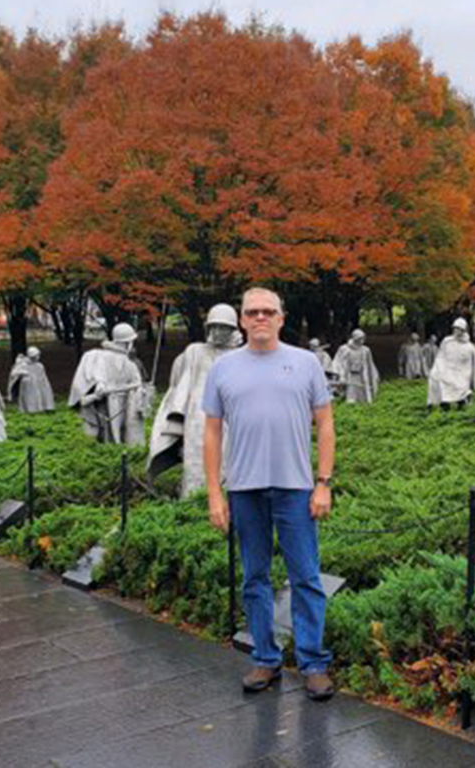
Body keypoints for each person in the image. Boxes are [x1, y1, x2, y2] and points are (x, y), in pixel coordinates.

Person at [202, 287, 336, 701]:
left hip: (296, 488)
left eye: (268, 311)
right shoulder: (223, 369)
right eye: (252, 312)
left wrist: (323, 482)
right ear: (241, 320)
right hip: (245, 489)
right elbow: (211, 432)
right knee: (254, 578)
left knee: (306, 578)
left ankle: (313, 662)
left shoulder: (305, 363)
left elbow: (326, 424)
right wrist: (214, 493)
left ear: (281, 318)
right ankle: (265, 657)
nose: (260, 317)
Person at [147, 304, 242, 497]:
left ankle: (226, 504)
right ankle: (192, 502)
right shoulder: (195, 351)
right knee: (196, 462)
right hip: (198, 417)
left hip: (231, 417)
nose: (218, 332)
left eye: (223, 327)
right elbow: (177, 382)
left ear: (233, 329)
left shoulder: (242, 356)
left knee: (229, 461)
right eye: (214, 327)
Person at [68, 322, 146, 445]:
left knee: (118, 432)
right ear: (128, 343)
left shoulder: (128, 364)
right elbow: (99, 381)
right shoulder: (98, 356)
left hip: (124, 402)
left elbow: (138, 384)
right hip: (107, 402)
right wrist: (101, 388)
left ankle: (115, 450)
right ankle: (111, 450)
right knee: (109, 432)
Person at [427, 318, 475, 410]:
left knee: (460, 387)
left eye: (458, 329)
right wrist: (437, 369)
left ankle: (462, 403)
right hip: (447, 372)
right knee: (440, 381)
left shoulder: (470, 347)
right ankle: (445, 404)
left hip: (462, 375)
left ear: (463, 330)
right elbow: (441, 357)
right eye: (455, 328)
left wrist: (474, 380)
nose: (456, 331)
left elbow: (473, 365)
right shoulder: (447, 342)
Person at [332, 329, 379, 403]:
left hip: (361, 376)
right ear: (355, 338)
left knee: (363, 396)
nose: (362, 341)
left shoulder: (365, 350)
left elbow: (370, 365)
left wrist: (373, 377)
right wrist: (341, 376)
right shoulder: (344, 349)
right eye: (360, 339)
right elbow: (338, 363)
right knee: (351, 396)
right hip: (350, 376)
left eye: (363, 338)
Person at [7, 347, 55, 413]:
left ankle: (41, 407)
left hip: (38, 384)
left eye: (38, 355)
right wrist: (22, 373)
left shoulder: (39, 366)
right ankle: (29, 409)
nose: (38, 357)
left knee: (39, 395)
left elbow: (43, 377)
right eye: (37, 355)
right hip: (28, 385)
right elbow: (14, 373)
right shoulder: (23, 364)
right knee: (29, 398)